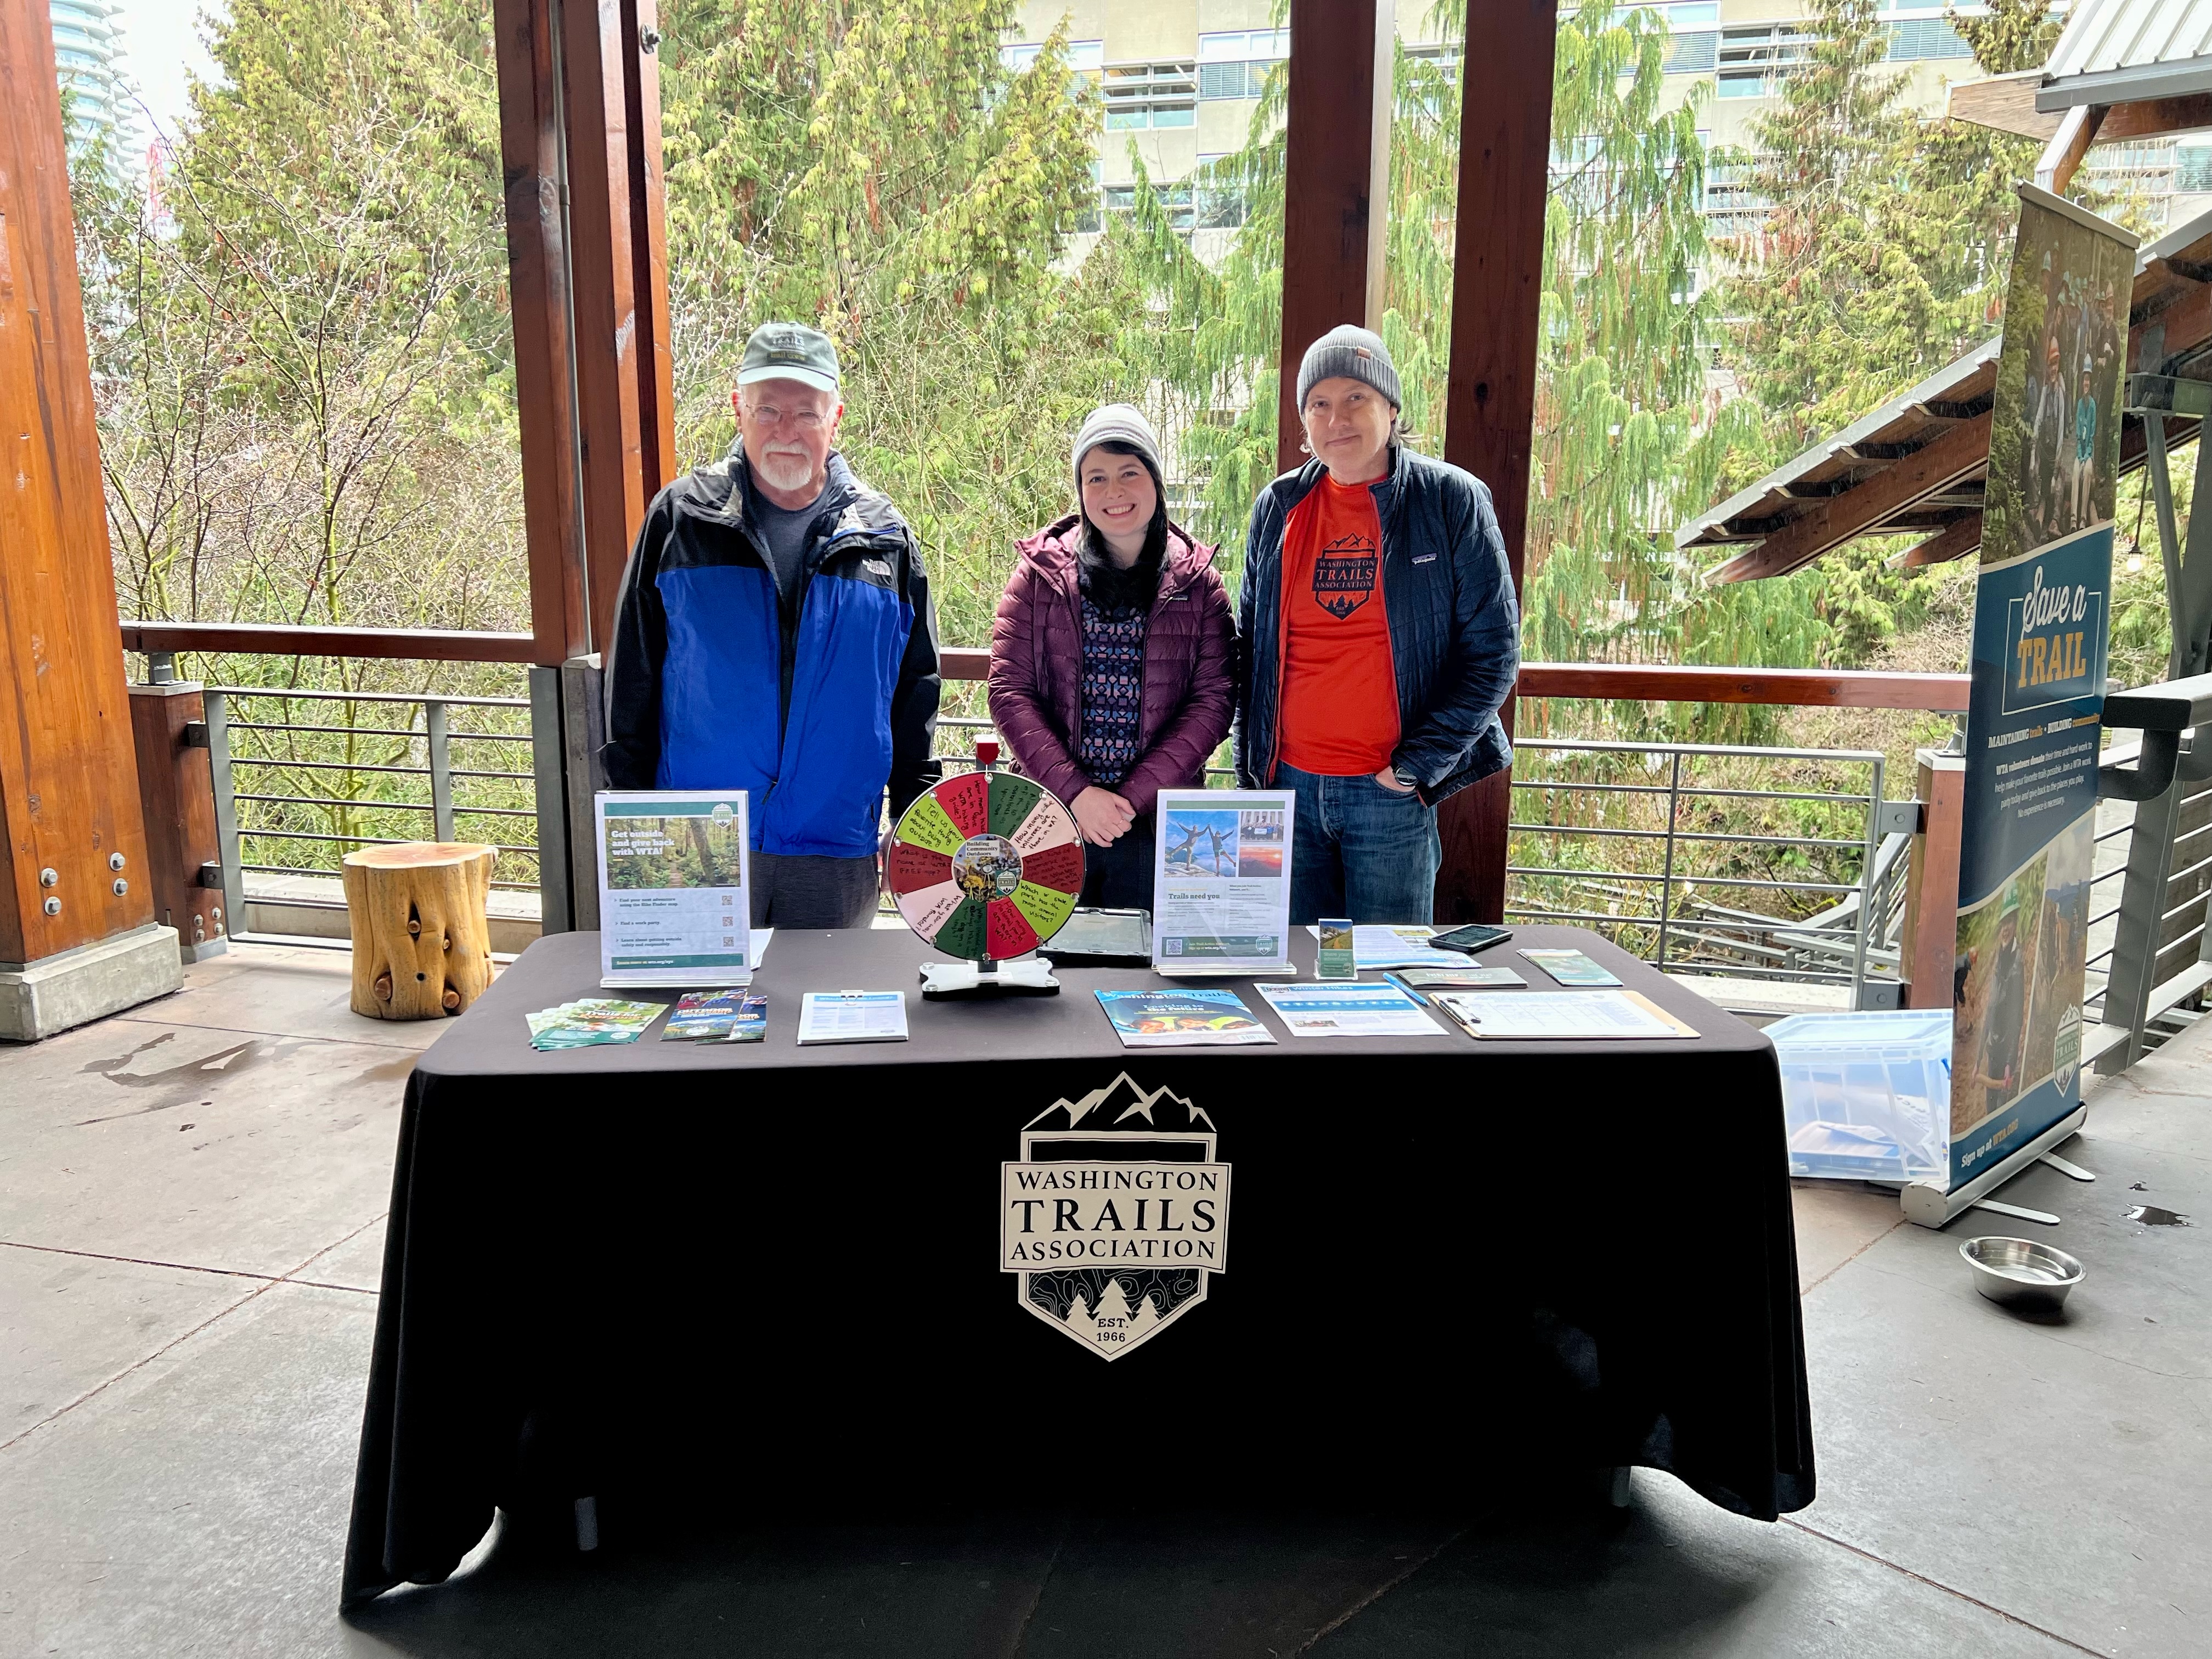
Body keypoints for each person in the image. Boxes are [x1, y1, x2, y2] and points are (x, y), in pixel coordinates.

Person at [602, 321, 940, 928]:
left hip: (834, 847)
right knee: (694, 1018)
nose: (787, 431)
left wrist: (913, 824)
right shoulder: (679, 519)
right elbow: (633, 677)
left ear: (835, 418)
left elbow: (914, 695)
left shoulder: (887, 539)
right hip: (694, 843)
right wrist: (634, 820)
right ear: (739, 409)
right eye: (769, 409)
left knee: (826, 1014)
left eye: (806, 413)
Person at [1235, 324, 1520, 924]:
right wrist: (1251, 776)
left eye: (1355, 398)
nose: (1336, 418)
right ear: (1305, 423)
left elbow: (1493, 653)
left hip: (1388, 792)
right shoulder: (1279, 507)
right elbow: (1249, 652)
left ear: (1391, 409)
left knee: (1387, 982)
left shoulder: (1451, 500)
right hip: (1285, 789)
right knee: (1287, 969)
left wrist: (1415, 768)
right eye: (1319, 404)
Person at [989, 404, 1235, 910]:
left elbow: (1214, 703)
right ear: (1080, 491)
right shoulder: (1037, 579)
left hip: (1160, 823)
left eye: (1129, 473)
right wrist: (1078, 795)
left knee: (1149, 977)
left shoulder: (1200, 585)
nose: (1113, 492)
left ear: (1156, 481)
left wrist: (1126, 803)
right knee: (1051, 972)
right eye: (1095, 477)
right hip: (1050, 815)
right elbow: (1009, 693)